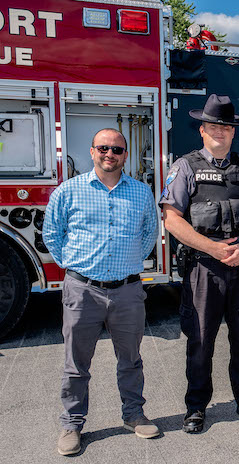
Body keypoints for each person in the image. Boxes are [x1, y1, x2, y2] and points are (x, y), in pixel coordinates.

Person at [159, 94, 239, 433]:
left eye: (225, 127)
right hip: (203, 270)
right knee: (200, 339)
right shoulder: (185, 167)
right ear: (202, 130)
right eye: (213, 126)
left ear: (233, 131)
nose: (219, 132)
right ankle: (196, 407)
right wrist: (212, 248)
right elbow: (172, 219)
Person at [43, 128, 160, 456]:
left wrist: (131, 258)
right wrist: (70, 262)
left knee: (131, 359)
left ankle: (133, 414)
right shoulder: (69, 191)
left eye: (118, 150)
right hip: (83, 291)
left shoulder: (140, 192)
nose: (111, 154)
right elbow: (52, 231)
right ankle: (72, 423)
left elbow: (150, 230)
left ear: (126, 155)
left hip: (127, 291)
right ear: (92, 152)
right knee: (76, 363)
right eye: (104, 148)